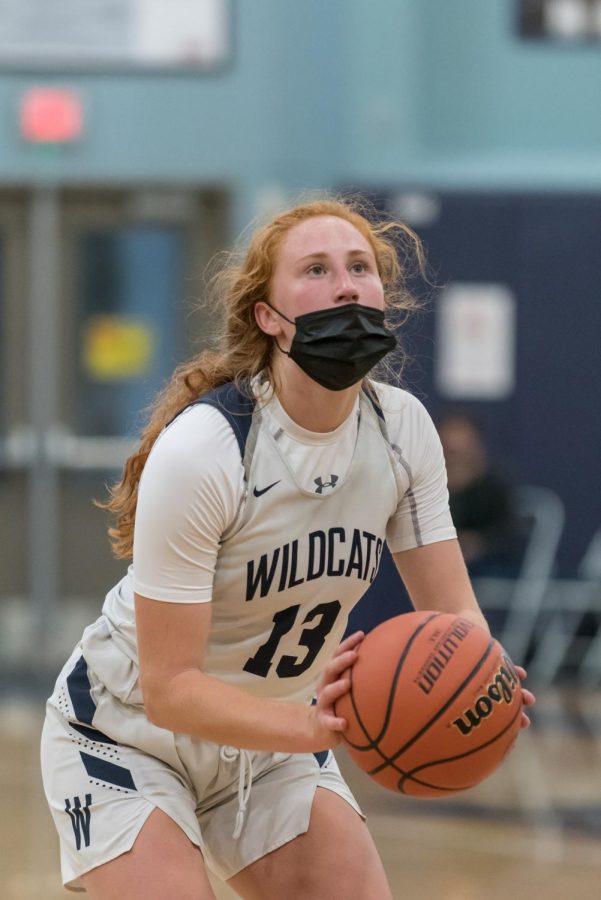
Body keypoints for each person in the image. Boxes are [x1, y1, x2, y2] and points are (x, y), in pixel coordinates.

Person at [40, 197, 534, 900]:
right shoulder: (206, 450)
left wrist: (481, 683)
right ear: (268, 318)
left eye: (359, 267)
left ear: (382, 297)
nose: (344, 283)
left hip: (271, 735)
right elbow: (170, 688)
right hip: (126, 734)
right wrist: (315, 725)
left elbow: (453, 611)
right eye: (315, 269)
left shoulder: (401, 431)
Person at [437, 410, 523, 578]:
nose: (456, 445)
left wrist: (478, 543)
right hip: (438, 556)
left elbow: (507, 532)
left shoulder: (494, 486)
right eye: (450, 450)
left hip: (487, 564)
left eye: (462, 438)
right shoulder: (428, 486)